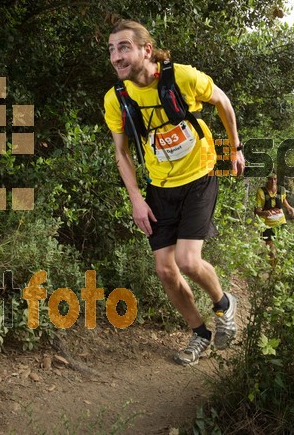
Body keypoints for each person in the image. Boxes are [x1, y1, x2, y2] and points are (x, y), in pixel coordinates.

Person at [103, 19, 245, 366]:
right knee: (166, 270)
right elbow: (122, 154)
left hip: (199, 176)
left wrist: (235, 147)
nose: (116, 57)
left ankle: (224, 304)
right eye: (111, 50)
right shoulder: (116, 99)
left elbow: (222, 101)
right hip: (159, 187)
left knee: (187, 261)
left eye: (124, 47)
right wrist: (136, 198)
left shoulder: (181, 77)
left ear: (145, 50)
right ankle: (200, 333)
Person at [254, 173, 294, 265]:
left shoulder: (281, 190)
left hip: (281, 222)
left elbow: (284, 201)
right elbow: (257, 211)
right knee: (271, 249)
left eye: (275, 179)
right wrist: (264, 212)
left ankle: (278, 269)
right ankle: (272, 270)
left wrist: (290, 208)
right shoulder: (261, 192)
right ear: (267, 179)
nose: (273, 182)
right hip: (268, 225)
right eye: (270, 179)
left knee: (281, 247)